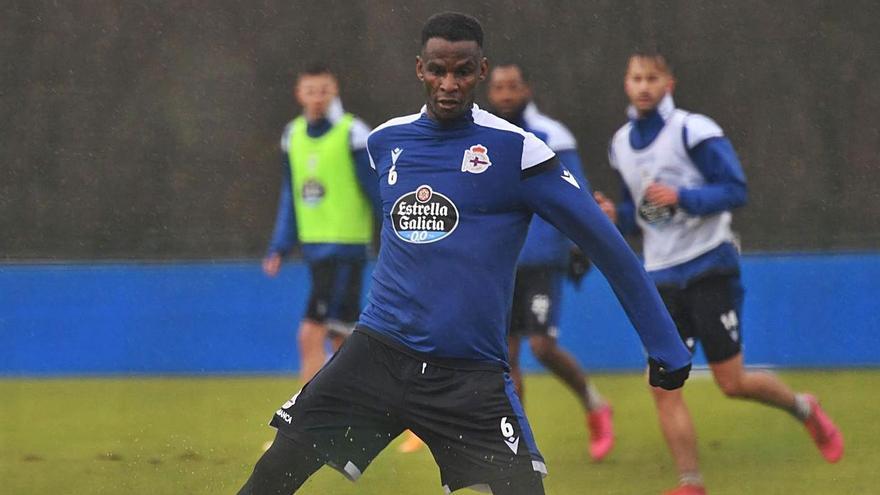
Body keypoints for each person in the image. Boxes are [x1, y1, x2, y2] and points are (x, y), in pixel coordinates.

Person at [238, 13, 692, 495]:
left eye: (462, 71)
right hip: (377, 356)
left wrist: (662, 341)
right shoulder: (386, 143)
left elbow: (607, 243)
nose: (449, 83)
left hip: (469, 375)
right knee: (273, 475)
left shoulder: (519, 152)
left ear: (481, 71)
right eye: (438, 70)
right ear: (419, 69)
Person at [593, 51, 844, 495]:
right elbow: (640, 215)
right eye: (636, 77)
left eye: (653, 77)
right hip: (662, 276)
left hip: (709, 264)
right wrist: (617, 215)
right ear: (626, 84)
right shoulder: (619, 145)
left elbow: (735, 189)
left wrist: (683, 196)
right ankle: (691, 484)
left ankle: (804, 408)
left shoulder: (693, 130)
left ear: (669, 82)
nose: (644, 85)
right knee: (664, 386)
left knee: (732, 382)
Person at [487, 63, 613, 462]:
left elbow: (576, 196)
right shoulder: (483, 136)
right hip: (499, 261)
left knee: (542, 347)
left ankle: (594, 403)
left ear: (527, 88)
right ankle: (518, 445)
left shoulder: (553, 136)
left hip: (542, 258)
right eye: (499, 87)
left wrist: (581, 247)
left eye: (513, 86)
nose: (506, 94)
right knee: (504, 359)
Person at [262, 64, 380, 383]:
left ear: (335, 91)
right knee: (338, 337)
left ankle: (309, 420)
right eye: (310, 91)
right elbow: (291, 194)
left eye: (323, 90)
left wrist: (394, 237)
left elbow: (377, 192)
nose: (317, 98)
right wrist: (280, 245)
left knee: (317, 334)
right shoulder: (293, 135)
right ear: (299, 93)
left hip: (346, 249)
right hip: (315, 250)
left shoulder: (352, 133)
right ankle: (332, 417)